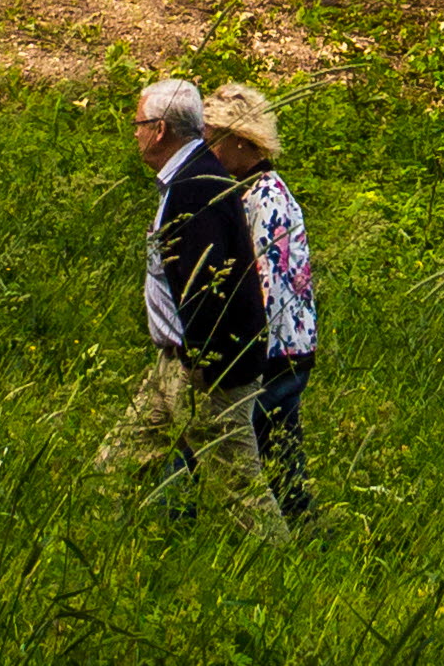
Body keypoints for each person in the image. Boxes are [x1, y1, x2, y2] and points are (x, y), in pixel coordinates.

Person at [95, 75, 286, 540]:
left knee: (242, 494)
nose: (134, 133)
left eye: (139, 124)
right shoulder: (189, 177)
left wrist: (204, 364)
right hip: (174, 363)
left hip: (207, 371)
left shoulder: (195, 187)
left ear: (160, 130)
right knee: (113, 466)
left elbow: (210, 286)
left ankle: (283, 570)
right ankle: (102, 546)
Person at [208, 81, 318, 526]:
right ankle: (304, 534)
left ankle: (295, 536)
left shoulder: (266, 196)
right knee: (278, 449)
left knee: (265, 449)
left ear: (241, 139)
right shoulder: (249, 190)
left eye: (215, 137)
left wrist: (241, 349)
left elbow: (267, 284)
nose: (209, 148)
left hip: (276, 352)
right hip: (282, 350)